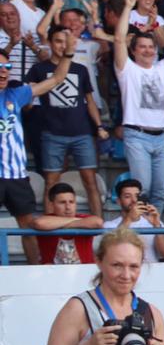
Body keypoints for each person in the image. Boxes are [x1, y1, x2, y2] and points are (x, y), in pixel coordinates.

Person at [115, 0, 164, 211]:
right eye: (142, 47)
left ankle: (154, 232)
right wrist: (127, 8)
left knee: (159, 192)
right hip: (137, 135)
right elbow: (119, 39)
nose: (148, 50)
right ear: (134, 51)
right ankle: (140, 234)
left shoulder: (162, 68)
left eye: (151, 47)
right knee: (143, 189)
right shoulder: (126, 69)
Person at [1, 50, 75, 264]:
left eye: (7, 68)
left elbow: (57, 79)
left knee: (28, 227)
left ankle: (34, 269)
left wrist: (68, 54)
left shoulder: (15, 94)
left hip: (16, 175)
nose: (4, 73)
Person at [32, 23, 109, 219]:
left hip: (82, 133)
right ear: (49, 43)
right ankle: (50, 232)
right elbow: (29, 100)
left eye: (66, 42)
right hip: (52, 133)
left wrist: (99, 126)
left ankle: (98, 226)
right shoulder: (39, 69)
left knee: (90, 180)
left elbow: (90, 101)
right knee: (51, 182)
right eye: (58, 41)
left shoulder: (81, 69)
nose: (62, 46)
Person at [103, 175, 164, 262]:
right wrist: (129, 219)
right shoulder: (109, 225)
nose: (134, 200)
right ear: (118, 201)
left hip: (152, 273)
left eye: (137, 195)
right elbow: (111, 251)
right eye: (127, 196)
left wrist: (157, 226)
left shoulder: (154, 222)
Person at [32, 181, 103, 264]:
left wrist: (63, 224)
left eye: (71, 202)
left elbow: (98, 222)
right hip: (52, 274)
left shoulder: (82, 218)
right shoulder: (47, 219)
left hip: (83, 273)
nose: (68, 207)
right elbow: (39, 223)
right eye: (62, 202)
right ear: (51, 205)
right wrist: (76, 221)